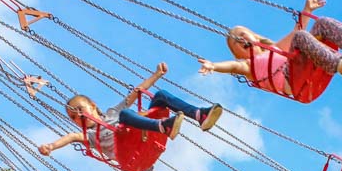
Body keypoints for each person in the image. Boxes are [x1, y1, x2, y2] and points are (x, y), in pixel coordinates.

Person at [198, 0, 342, 95]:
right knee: (300, 37)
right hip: (296, 82)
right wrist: (213, 66)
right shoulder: (249, 67)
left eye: (242, 35)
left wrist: (307, 10)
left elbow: (295, 33)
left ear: (254, 37)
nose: (241, 40)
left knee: (322, 23)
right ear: (238, 53)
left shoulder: (274, 50)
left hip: (310, 66)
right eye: (237, 43)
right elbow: (233, 66)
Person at [37, 63, 223, 160]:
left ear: (92, 105)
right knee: (125, 117)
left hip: (144, 137)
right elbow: (70, 137)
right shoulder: (90, 135)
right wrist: (51, 146)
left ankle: (200, 115)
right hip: (130, 154)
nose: (78, 116)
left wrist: (156, 75)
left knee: (159, 95)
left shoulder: (112, 112)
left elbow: (135, 93)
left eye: (79, 109)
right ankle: (162, 126)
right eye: (73, 117)